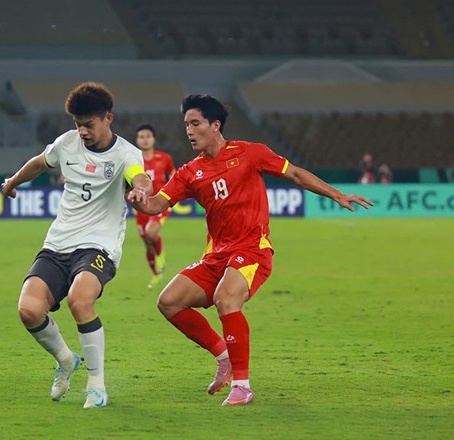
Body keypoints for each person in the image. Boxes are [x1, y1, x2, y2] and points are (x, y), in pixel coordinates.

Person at [128, 95, 372, 406]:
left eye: (195, 123)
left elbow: (295, 174)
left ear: (215, 125)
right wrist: (136, 199)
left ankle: (242, 386)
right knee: (169, 301)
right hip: (217, 255)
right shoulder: (190, 172)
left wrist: (336, 194)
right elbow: (155, 205)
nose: (188, 130)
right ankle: (224, 356)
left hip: (252, 249)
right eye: (186, 124)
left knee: (226, 298)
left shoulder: (250, 153)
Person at [1, 82, 151, 409]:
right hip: (59, 243)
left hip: (99, 246)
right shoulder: (67, 143)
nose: (82, 131)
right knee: (29, 310)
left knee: (79, 300)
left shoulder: (126, 153)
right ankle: (67, 360)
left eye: (88, 125)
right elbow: (40, 162)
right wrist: (13, 182)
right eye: (77, 124)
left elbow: (140, 176)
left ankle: (96, 386)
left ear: (108, 118)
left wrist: (141, 190)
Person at [134, 124, 176, 288]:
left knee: (151, 232)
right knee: (147, 242)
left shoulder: (164, 158)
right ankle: (156, 274)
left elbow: (174, 175)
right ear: (137, 140)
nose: (145, 140)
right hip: (141, 206)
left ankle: (160, 254)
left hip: (160, 203)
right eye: (141, 137)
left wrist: (172, 193)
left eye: (148, 136)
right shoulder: (133, 160)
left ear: (153, 139)